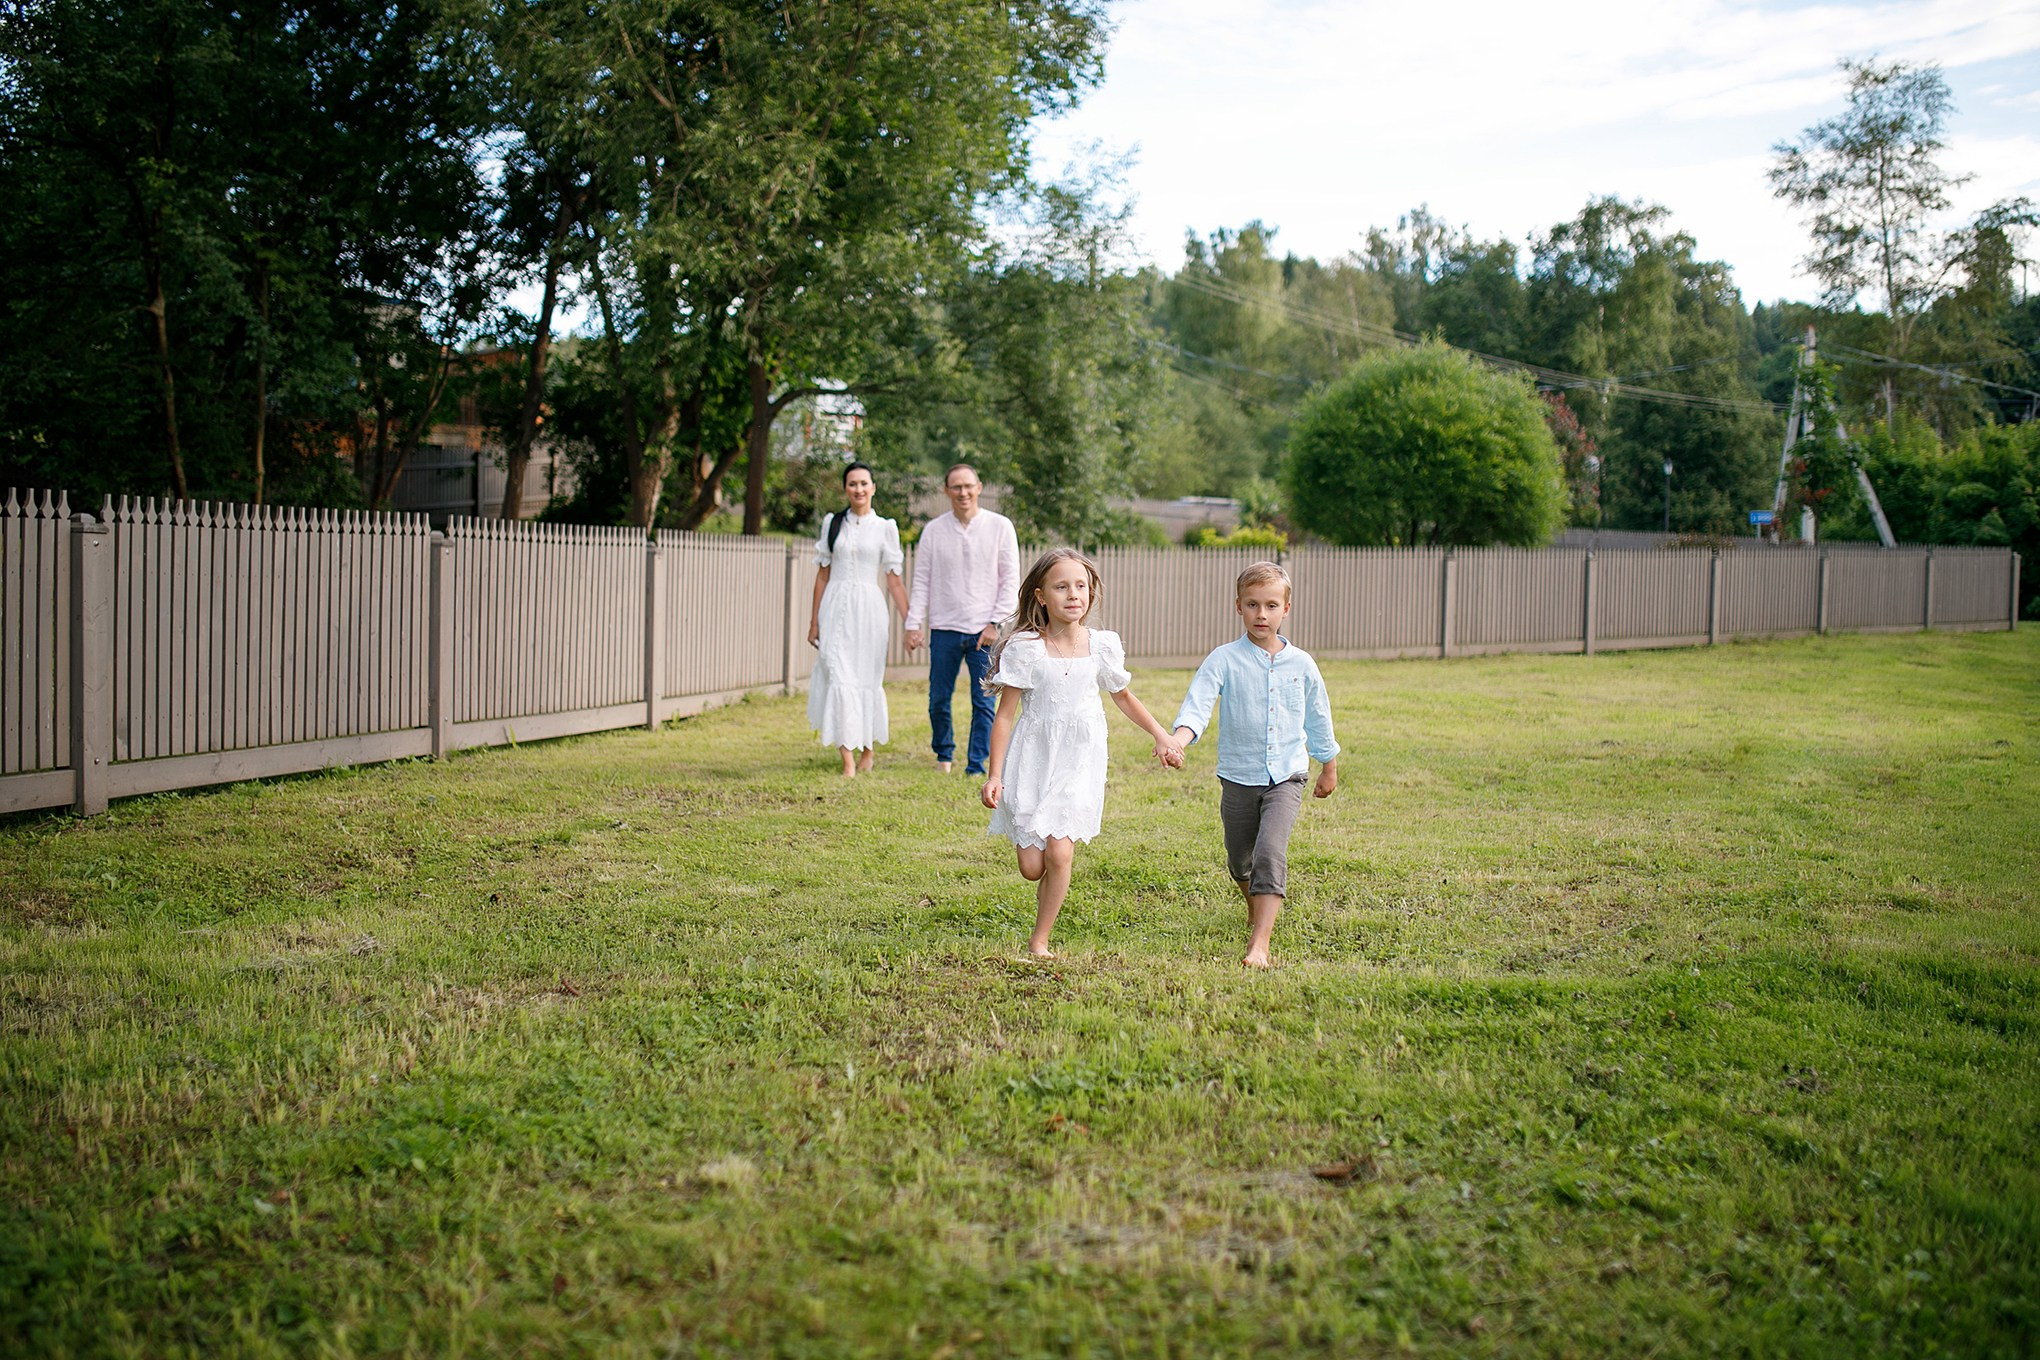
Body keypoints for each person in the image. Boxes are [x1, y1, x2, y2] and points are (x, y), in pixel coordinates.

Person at [980, 548, 1182, 958]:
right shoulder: (1025, 649)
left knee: (1060, 851)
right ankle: (1045, 881)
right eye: (1062, 587)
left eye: (1081, 587)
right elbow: (1004, 717)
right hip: (1034, 759)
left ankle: (1040, 939)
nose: (1074, 595)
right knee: (1031, 867)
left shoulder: (1102, 646)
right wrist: (995, 774)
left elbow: (1123, 697)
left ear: (1090, 593)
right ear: (1040, 596)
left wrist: (1162, 735)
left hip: (1079, 760)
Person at [1168, 561, 1339, 969]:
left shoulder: (1303, 665)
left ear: (1286, 609)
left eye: (1271, 605)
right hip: (1238, 776)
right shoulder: (1223, 659)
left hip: (1287, 775)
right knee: (1239, 858)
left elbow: (1318, 717)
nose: (1262, 614)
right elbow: (1198, 706)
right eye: (1252, 605)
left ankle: (1260, 943)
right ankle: (1253, 903)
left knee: (1269, 851)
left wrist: (1328, 765)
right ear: (1238, 607)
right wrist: (1179, 739)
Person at [904, 463, 1020, 776]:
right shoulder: (934, 530)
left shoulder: (1000, 526)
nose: (963, 492)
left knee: (983, 702)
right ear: (946, 491)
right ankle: (944, 756)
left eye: (968, 486)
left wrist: (996, 623)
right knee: (938, 699)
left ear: (979, 488)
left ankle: (976, 766)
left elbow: (1010, 579)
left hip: (986, 631)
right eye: (956, 487)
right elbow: (922, 580)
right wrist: (912, 623)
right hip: (944, 628)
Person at [806, 462, 909, 777]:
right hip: (835, 605)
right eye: (852, 484)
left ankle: (868, 750)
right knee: (837, 673)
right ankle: (847, 758)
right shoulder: (832, 523)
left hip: (869, 610)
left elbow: (893, 581)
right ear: (845, 488)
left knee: (866, 677)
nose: (859, 489)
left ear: (873, 487)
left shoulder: (885, 527)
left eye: (864, 483)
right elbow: (822, 576)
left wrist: (911, 620)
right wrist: (814, 621)